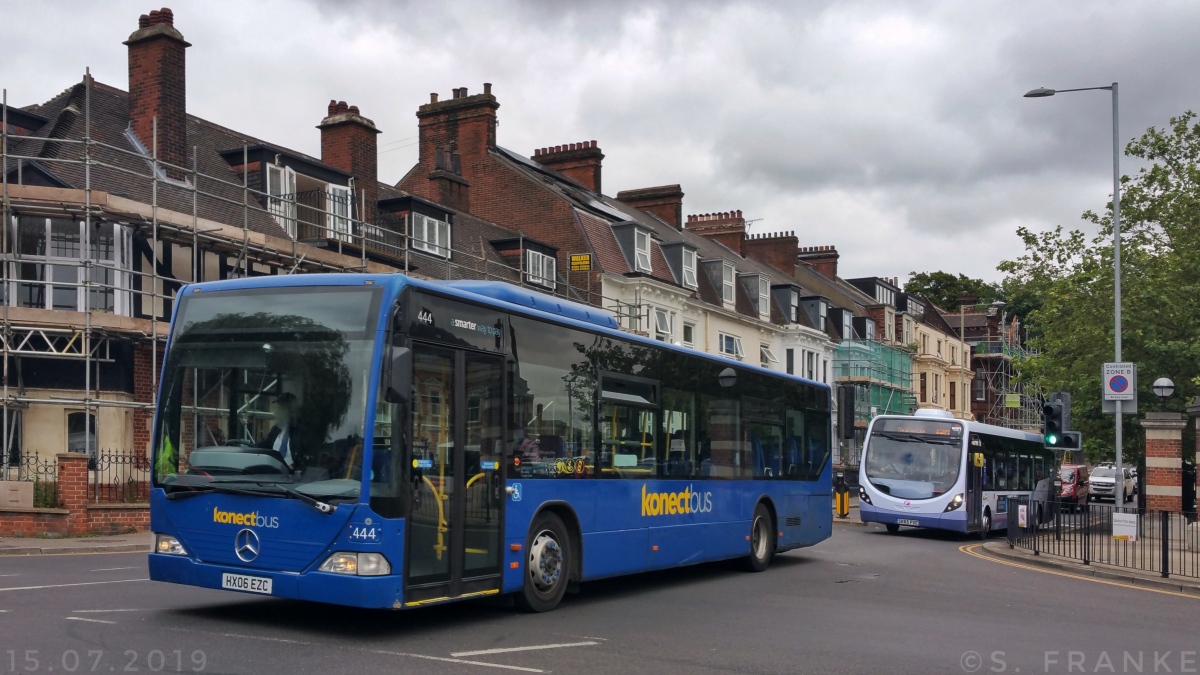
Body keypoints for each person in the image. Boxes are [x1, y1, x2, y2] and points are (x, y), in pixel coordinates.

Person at [257, 393, 298, 471]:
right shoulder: (276, 429)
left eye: (282, 408)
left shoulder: (300, 431)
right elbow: (263, 445)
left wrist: (294, 467)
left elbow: (304, 456)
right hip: (274, 471)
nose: (277, 411)